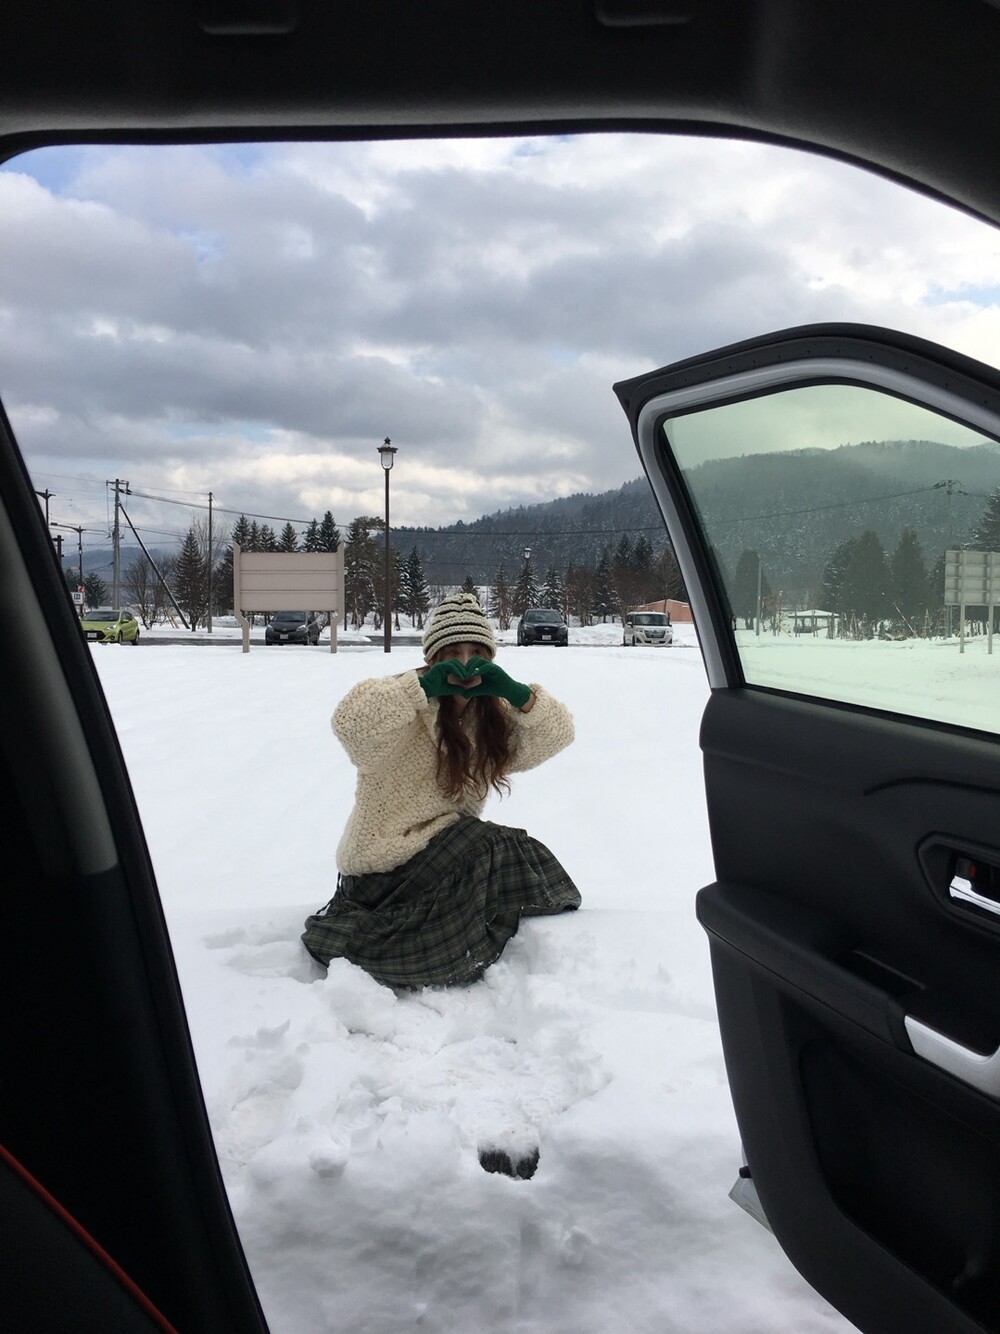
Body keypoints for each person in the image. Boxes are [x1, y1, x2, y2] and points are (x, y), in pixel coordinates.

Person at [302, 591, 580, 987]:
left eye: (476, 653)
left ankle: (435, 936)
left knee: (508, 852)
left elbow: (559, 734)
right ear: (433, 659)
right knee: (491, 845)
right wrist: (421, 686)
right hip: (379, 870)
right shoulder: (400, 703)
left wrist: (518, 693)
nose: (465, 665)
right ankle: (397, 946)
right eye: (452, 654)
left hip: (442, 862)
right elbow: (350, 724)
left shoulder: (491, 719)